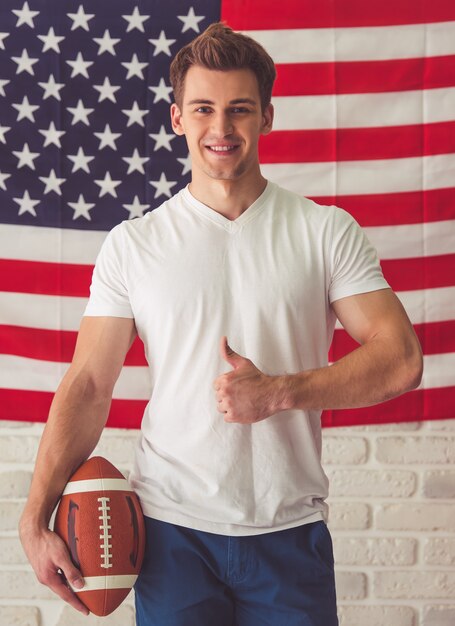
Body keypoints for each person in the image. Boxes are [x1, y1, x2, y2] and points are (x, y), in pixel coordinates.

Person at [19, 22, 423, 626]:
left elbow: (401, 360)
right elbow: (88, 385)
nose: (222, 128)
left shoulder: (323, 231)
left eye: (239, 109)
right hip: (170, 535)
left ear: (266, 116)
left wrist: (280, 391)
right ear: (178, 117)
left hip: (289, 531)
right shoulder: (135, 244)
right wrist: (34, 517)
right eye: (204, 109)